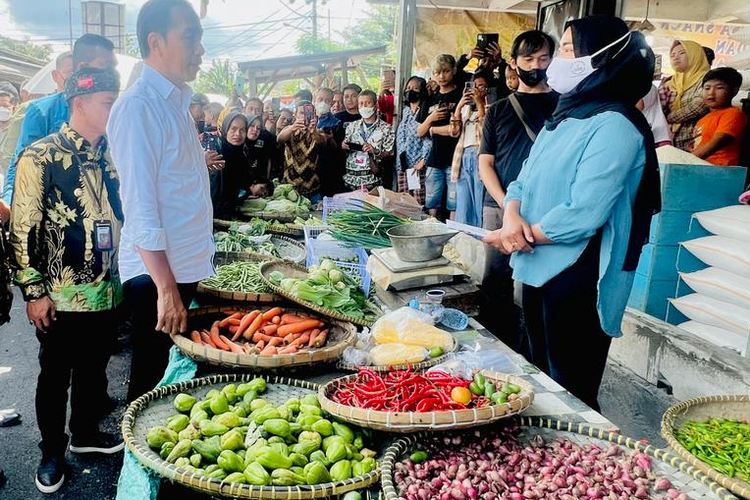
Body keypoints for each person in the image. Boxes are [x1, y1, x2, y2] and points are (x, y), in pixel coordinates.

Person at [485, 17, 660, 411]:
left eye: (566, 49)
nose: (556, 61)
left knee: (571, 388)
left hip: (580, 275)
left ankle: (579, 462)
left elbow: (584, 212)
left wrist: (519, 236)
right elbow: (521, 182)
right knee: (537, 372)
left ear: (602, 58)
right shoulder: (561, 120)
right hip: (534, 263)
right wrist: (511, 218)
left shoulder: (616, 125)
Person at [10, 67, 124, 494]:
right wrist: (34, 292)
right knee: (55, 374)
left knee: (95, 368)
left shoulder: (112, 153)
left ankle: (86, 433)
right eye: (108, 104)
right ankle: (51, 450)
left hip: (108, 286)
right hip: (59, 293)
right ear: (79, 102)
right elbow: (22, 230)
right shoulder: (40, 156)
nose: (115, 112)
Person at [107, 0, 214, 402]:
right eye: (190, 37)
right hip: (155, 275)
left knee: (172, 382)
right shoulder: (139, 107)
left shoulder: (176, 105)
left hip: (179, 266)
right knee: (151, 385)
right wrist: (165, 287)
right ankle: (139, 462)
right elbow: (139, 206)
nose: (200, 49)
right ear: (156, 41)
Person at [477, 30, 559, 350]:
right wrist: (508, 205)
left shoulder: (565, 107)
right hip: (498, 208)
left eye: (543, 58)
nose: (535, 65)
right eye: (528, 58)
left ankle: (531, 352)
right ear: (513, 62)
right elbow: (486, 165)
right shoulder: (498, 109)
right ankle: (494, 348)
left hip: (546, 210)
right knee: (496, 279)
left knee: (538, 283)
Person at [3, 35, 115, 205]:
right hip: (56, 206)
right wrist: (10, 201)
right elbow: (21, 163)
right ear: (56, 76)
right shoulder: (42, 111)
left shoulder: (108, 109)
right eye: (70, 72)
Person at [417, 54, 462, 219]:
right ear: (432, 73)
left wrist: (433, 130)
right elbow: (419, 131)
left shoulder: (460, 96)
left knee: (454, 202)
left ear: (454, 70)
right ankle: (431, 231)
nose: (442, 76)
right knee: (431, 202)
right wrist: (431, 119)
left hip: (456, 158)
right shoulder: (430, 100)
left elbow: (456, 129)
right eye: (437, 72)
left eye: (446, 71)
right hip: (434, 158)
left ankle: (453, 238)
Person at [451, 71, 491, 228]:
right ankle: (463, 236)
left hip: (479, 156)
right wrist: (460, 105)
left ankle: (479, 237)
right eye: (474, 86)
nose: (477, 90)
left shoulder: (491, 108)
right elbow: (454, 132)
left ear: (487, 89)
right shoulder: (465, 110)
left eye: (481, 87)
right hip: (462, 157)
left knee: (479, 199)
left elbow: (486, 134)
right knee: (463, 200)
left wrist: (481, 104)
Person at [659, 40, 710, 151]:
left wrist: (668, 118)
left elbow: (699, 105)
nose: (675, 57)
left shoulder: (705, 79)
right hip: (670, 143)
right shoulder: (669, 82)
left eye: (682, 53)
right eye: (672, 55)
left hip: (694, 143)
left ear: (695, 55)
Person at [341, 90, 395, 191]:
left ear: (375, 105)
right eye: (361, 103)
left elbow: (390, 155)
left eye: (368, 103)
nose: (364, 106)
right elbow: (345, 152)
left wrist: (375, 151)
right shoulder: (351, 126)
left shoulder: (386, 128)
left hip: (373, 182)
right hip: (351, 181)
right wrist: (344, 146)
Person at [693, 68, 747, 166]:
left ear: (734, 91)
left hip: (722, 170)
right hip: (702, 168)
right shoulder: (702, 120)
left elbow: (719, 141)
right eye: (707, 88)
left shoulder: (733, 113)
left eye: (719, 88)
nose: (711, 93)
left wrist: (688, 160)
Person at [396, 76, 431, 205]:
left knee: (418, 203)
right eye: (408, 88)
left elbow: (428, 138)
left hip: (416, 165)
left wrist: (423, 160)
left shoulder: (425, 112)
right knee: (404, 203)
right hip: (402, 164)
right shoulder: (405, 112)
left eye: (415, 88)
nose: (411, 91)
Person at [277, 101, 322, 200]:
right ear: (295, 114)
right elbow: (280, 139)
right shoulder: (289, 129)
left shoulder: (318, 131)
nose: (305, 116)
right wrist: (293, 127)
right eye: (302, 113)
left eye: (309, 113)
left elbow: (322, 143)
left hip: (313, 188)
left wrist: (313, 132)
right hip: (289, 187)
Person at [210, 112, 250, 217]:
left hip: (230, 213)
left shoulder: (243, 155)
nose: (238, 134)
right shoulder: (215, 152)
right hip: (210, 213)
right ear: (225, 129)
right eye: (233, 129)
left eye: (242, 130)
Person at [246, 114, 277, 179]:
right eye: (252, 126)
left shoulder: (262, 144)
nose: (255, 130)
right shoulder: (237, 146)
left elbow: (268, 162)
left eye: (258, 128)